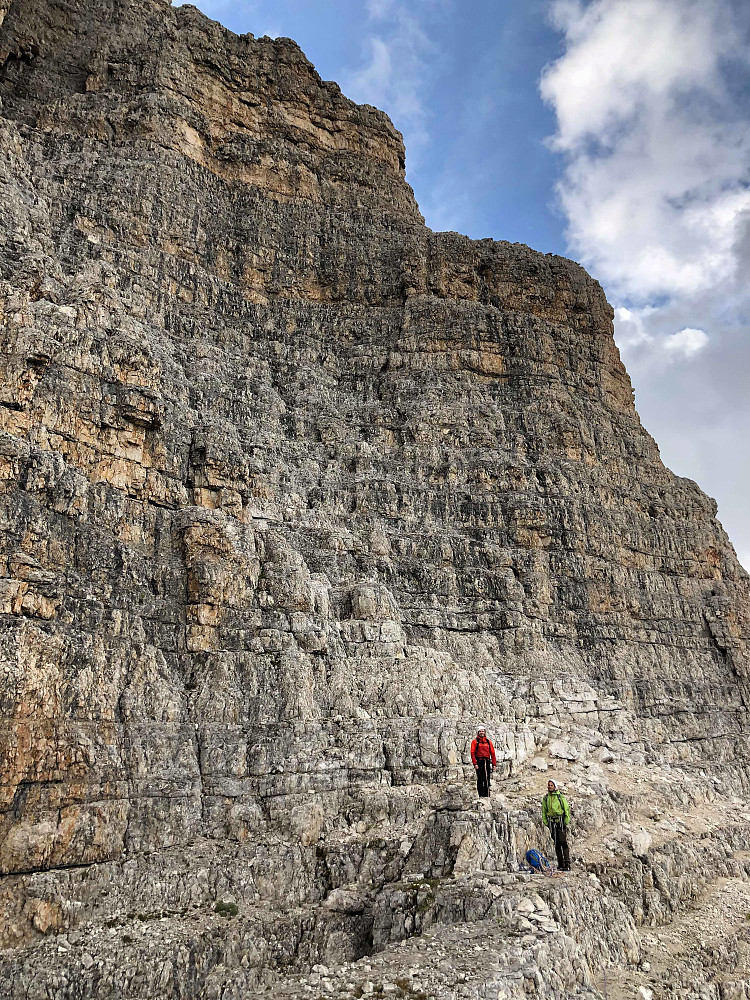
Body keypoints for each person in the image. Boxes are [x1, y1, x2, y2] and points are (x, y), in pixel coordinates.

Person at [542, 779, 571, 871]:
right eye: (549, 785)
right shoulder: (546, 798)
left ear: (555, 786)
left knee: (563, 842)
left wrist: (566, 820)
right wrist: (546, 822)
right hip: (551, 822)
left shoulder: (560, 797)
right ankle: (560, 864)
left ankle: (567, 863)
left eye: (551, 785)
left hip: (561, 821)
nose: (549, 787)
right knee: (557, 843)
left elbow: (566, 809)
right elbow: (544, 811)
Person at [470, 727, 496, 797]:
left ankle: (487, 795)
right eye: (480, 731)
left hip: (487, 761)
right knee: (480, 778)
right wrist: (475, 763)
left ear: (485, 732)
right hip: (479, 761)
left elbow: (492, 753)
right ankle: (480, 795)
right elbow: (472, 753)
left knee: (487, 778)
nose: (481, 732)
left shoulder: (488, 741)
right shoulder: (475, 742)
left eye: (483, 731)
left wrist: (494, 764)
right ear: (478, 732)